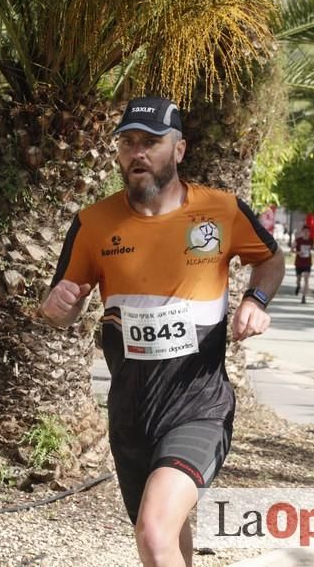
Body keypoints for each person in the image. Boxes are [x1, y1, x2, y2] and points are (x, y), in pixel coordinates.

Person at [39, 96, 285, 567]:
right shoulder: (92, 223)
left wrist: (257, 300)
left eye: (151, 142)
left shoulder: (221, 211)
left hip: (198, 407)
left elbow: (271, 258)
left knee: (154, 530)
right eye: (128, 142)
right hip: (130, 412)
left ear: (179, 150)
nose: (138, 153)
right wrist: (57, 308)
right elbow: (60, 309)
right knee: (163, 537)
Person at [293, 226, 314, 303]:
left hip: (307, 262)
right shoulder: (298, 240)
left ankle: (303, 297)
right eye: (305, 232)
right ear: (302, 232)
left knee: (306, 279)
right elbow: (292, 249)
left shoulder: (311, 240)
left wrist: (312, 250)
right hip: (299, 262)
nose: (306, 233)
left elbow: (313, 248)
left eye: (308, 232)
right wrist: (298, 252)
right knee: (299, 279)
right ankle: (298, 286)